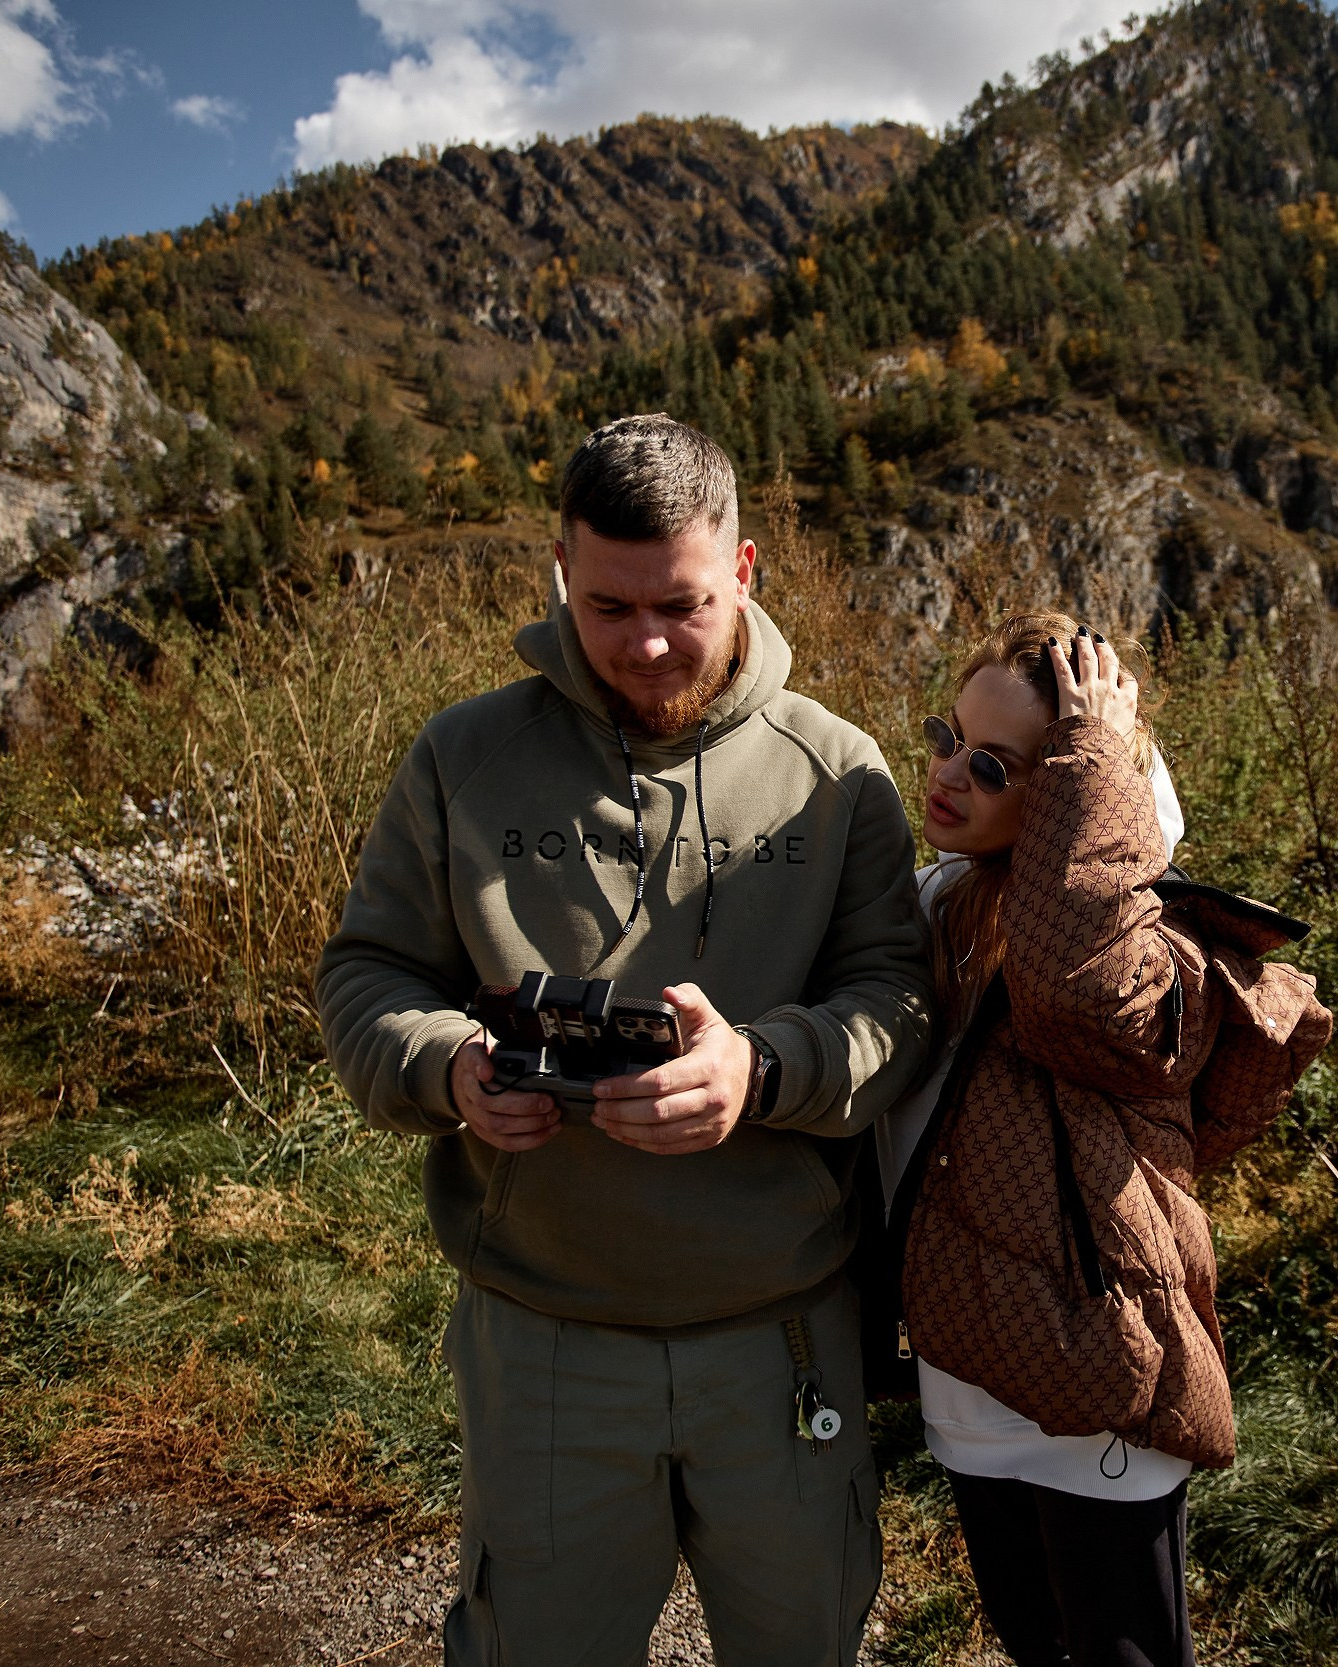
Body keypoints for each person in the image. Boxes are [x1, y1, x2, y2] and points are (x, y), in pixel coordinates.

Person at [316, 414, 934, 1667]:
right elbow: (368, 973)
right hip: (544, 1341)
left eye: (680, 605)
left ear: (743, 571)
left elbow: (899, 1003)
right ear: (559, 570)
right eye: (607, 606)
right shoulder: (463, 756)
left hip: (781, 1338)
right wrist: (449, 1067)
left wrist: (761, 1068)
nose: (646, 642)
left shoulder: (837, 772)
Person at [872, 613, 1332, 1667]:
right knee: (1032, 1641)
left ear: (1080, 783)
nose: (949, 774)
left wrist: (1091, 756)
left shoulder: (1153, 940)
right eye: (947, 737)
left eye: (995, 765)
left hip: (1100, 1381)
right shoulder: (940, 900)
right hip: (971, 1369)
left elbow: (1081, 1000)